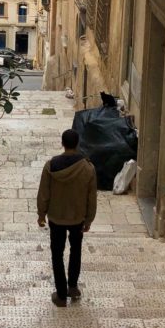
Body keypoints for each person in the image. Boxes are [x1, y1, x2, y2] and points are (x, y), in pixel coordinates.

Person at [37, 128, 97, 307]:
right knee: (76, 251)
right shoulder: (88, 168)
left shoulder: (51, 166)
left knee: (57, 254)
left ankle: (61, 295)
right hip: (77, 217)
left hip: (56, 217)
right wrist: (89, 219)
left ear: (62, 143)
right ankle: (72, 287)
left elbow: (44, 193)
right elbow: (91, 197)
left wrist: (41, 214)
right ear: (77, 144)